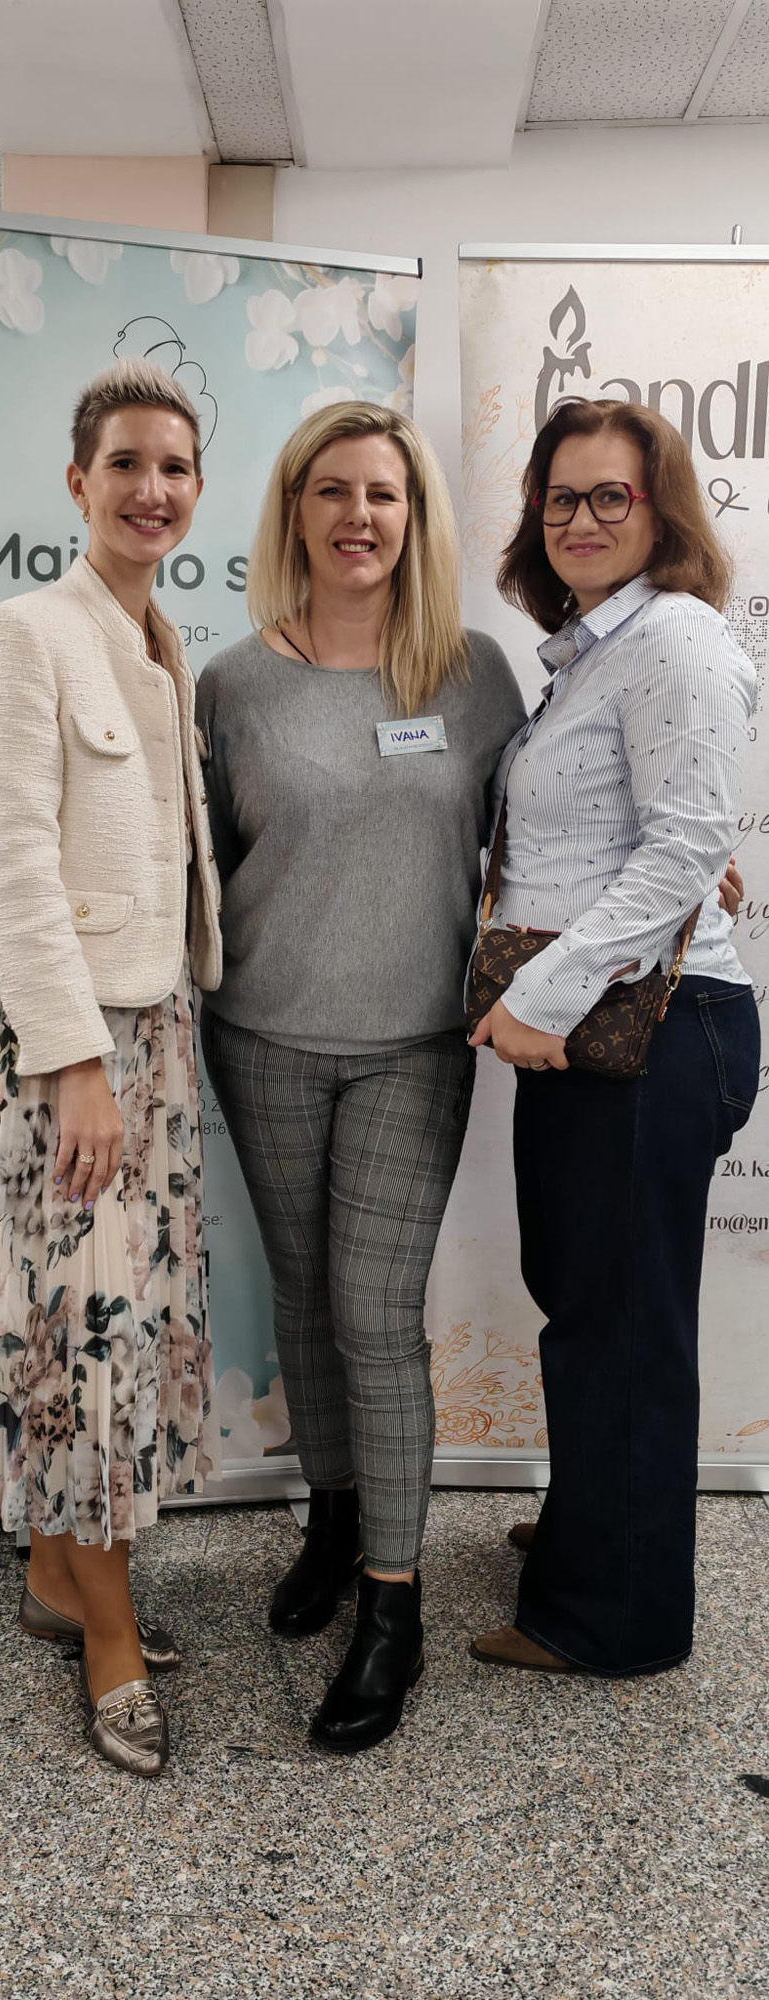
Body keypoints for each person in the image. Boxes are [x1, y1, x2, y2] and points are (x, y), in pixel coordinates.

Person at [195, 402, 528, 1753]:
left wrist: (687, 859)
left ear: (414, 513)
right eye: (329, 491)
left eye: (381, 493)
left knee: (373, 1313)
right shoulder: (232, 683)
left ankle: (392, 1606)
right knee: (301, 1294)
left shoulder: (472, 674)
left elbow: (538, 831)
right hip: (261, 1036)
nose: (357, 516)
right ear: (294, 510)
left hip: (412, 1045)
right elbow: (210, 868)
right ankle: (331, 1521)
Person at [0, 359, 222, 1776]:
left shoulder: (160, 644)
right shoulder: (24, 633)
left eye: (173, 467)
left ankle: (60, 1580)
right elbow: (5, 865)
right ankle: (107, 1641)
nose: (150, 488)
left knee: (98, 1331)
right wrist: (80, 1066)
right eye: (125, 463)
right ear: (76, 481)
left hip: (150, 1035)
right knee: (86, 1346)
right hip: (67, 1051)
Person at [467, 398, 759, 1678]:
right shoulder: (593, 649)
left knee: (621, 1325)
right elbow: (645, 831)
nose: (578, 518)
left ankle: (614, 1617)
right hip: (606, 1025)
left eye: (608, 496)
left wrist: (545, 994)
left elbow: (685, 843)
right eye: (558, 497)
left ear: (658, 510)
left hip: (649, 1026)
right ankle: (602, 1526)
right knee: (588, 1303)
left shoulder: (674, 636)